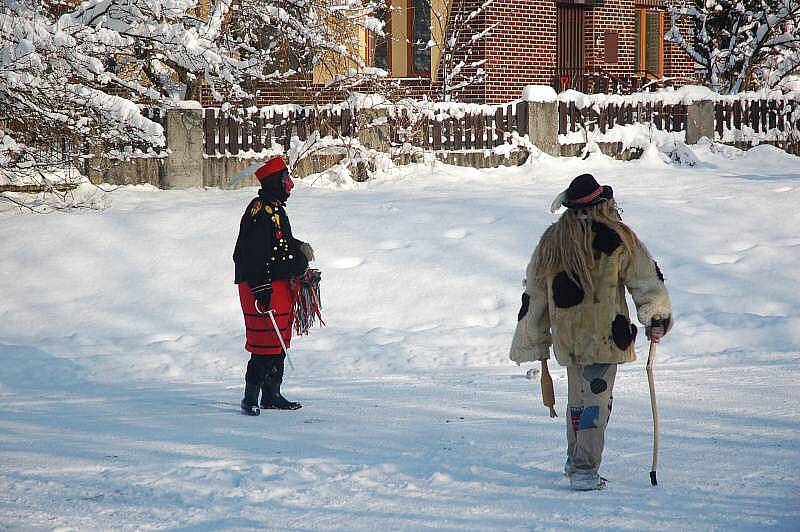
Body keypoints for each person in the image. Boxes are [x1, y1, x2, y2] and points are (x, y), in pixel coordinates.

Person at [510, 173, 672, 491]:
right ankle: (584, 469)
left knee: (578, 400)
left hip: (568, 338)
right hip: (606, 337)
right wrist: (656, 316)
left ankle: (576, 461)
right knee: (597, 400)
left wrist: (536, 334)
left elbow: (535, 292)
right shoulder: (618, 237)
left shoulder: (553, 239)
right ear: (604, 204)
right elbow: (645, 279)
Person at [233, 156, 315, 415]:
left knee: (279, 342)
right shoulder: (258, 212)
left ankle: (272, 394)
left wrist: (300, 249)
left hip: (278, 286)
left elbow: (282, 243)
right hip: (260, 287)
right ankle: (250, 397)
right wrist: (261, 289)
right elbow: (254, 255)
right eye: (286, 180)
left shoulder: (276, 209)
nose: (290, 185)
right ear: (274, 183)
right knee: (264, 343)